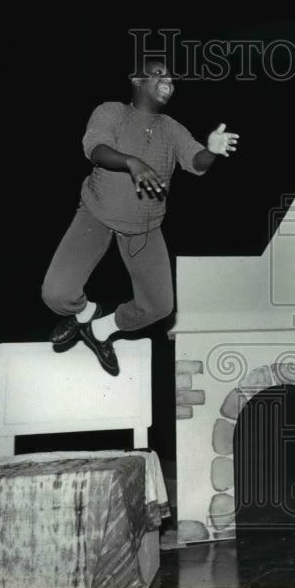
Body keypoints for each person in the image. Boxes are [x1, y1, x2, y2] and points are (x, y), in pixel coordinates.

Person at [41, 60, 238, 375]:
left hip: (144, 226)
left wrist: (211, 150)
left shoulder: (171, 128)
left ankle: (101, 330)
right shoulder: (111, 112)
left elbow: (196, 162)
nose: (168, 81)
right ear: (136, 80)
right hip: (97, 212)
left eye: (172, 79)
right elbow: (95, 148)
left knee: (159, 306)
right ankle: (86, 313)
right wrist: (131, 161)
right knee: (57, 295)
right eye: (159, 74)